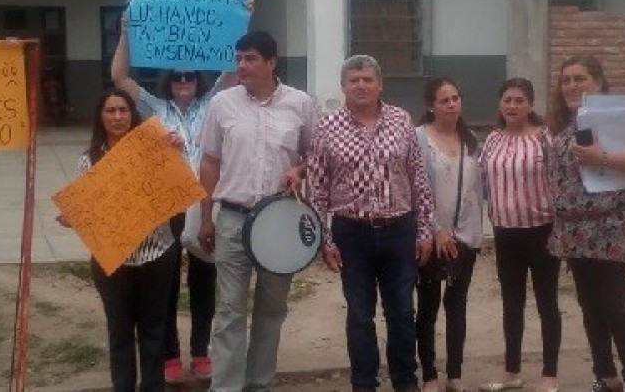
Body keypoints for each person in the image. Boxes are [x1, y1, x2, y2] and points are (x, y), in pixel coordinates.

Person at [111, 14, 242, 382]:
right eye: (177, 77)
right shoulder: (153, 107)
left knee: (204, 279)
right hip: (166, 205)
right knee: (163, 283)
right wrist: (124, 34)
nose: (184, 82)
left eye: (189, 76)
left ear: (197, 80)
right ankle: (169, 356)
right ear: (168, 81)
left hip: (205, 203)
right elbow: (120, 78)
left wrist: (239, 19)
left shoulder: (215, 103)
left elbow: (232, 70)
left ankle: (202, 353)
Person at [197, 30, 316, 392]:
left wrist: (300, 170)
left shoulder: (300, 103)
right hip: (233, 219)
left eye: (250, 59)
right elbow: (209, 162)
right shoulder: (222, 104)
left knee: (272, 309)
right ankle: (226, 386)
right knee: (230, 310)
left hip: (279, 222)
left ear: (271, 63)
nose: (242, 65)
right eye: (238, 58)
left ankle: (259, 383)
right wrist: (206, 217)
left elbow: (315, 156)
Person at [307, 54, 435, 392]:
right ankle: (364, 383)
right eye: (354, 80)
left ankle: (405, 381)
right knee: (360, 316)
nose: (361, 85)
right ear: (344, 86)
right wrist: (326, 240)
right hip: (351, 233)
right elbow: (318, 186)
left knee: (402, 312)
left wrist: (424, 230)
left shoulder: (401, 120)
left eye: (367, 79)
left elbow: (418, 178)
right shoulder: (328, 126)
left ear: (380, 84)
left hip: (399, 230)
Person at [546, 55, 625, 392]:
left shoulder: (624, 117)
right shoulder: (564, 125)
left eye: (579, 78)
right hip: (575, 231)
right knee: (590, 307)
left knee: (616, 307)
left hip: (613, 227)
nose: (571, 85)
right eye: (565, 80)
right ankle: (606, 376)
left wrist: (601, 158)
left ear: (598, 82)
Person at [60, 88, 183, 392]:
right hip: (113, 262)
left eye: (123, 110)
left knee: (154, 330)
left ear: (133, 114)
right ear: (100, 117)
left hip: (157, 254)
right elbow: (89, 208)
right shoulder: (89, 161)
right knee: (120, 332)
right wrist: (75, 216)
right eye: (110, 111)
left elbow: (179, 191)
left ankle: (153, 387)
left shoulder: (156, 149)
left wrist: (176, 155)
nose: (117, 117)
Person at [478, 78, 560, 392]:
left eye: (519, 100)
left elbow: (561, 181)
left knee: (547, 303)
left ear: (530, 104)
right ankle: (511, 372)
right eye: (507, 100)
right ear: (500, 104)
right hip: (505, 232)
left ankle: (549, 374)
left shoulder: (545, 138)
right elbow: (482, 182)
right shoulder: (492, 140)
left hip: (542, 232)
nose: (513, 106)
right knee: (512, 304)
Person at [414, 77, 483, 392]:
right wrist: (432, 230)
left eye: (456, 98)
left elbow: (476, 191)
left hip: (465, 236)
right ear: (431, 105)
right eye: (445, 100)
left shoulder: (472, 142)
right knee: (427, 306)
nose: (452, 104)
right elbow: (413, 191)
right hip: (429, 237)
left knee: (457, 304)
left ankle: (454, 374)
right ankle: (429, 374)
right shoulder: (417, 140)